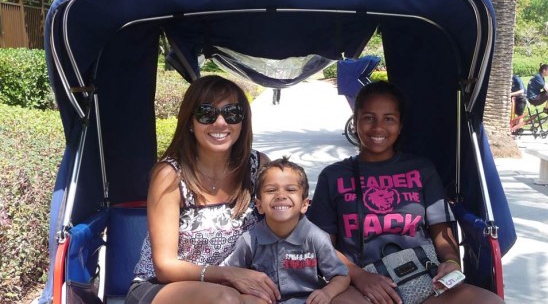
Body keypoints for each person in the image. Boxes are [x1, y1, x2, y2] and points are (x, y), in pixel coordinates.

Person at [307, 81, 505, 304]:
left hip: (424, 278)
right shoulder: (333, 176)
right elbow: (322, 245)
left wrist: (451, 263)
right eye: (369, 117)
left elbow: (441, 231)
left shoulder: (422, 170)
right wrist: (359, 276)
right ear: (355, 123)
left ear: (400, 125)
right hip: (361, 286)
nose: (378, 127)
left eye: (389, 118)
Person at [126, 75, 280, 304]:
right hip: (163, 287)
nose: (220, 123)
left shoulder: (257, 167)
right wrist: (229, 274)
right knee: (225, 300)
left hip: (228, 287)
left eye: (232, 113)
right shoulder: (170, 175)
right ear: (190, 122)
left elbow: (289, 223)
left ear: (242, 121)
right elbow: (164, 266)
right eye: (206, 113)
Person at [222, 157, 350, 304]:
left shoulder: (316, 237)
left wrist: (327, 293)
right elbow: (231, 274)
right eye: (271, 190)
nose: (281, 195)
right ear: (259, 205)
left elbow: (342, 275)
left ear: (304, 204)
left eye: (290, 189)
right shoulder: (250, 240)